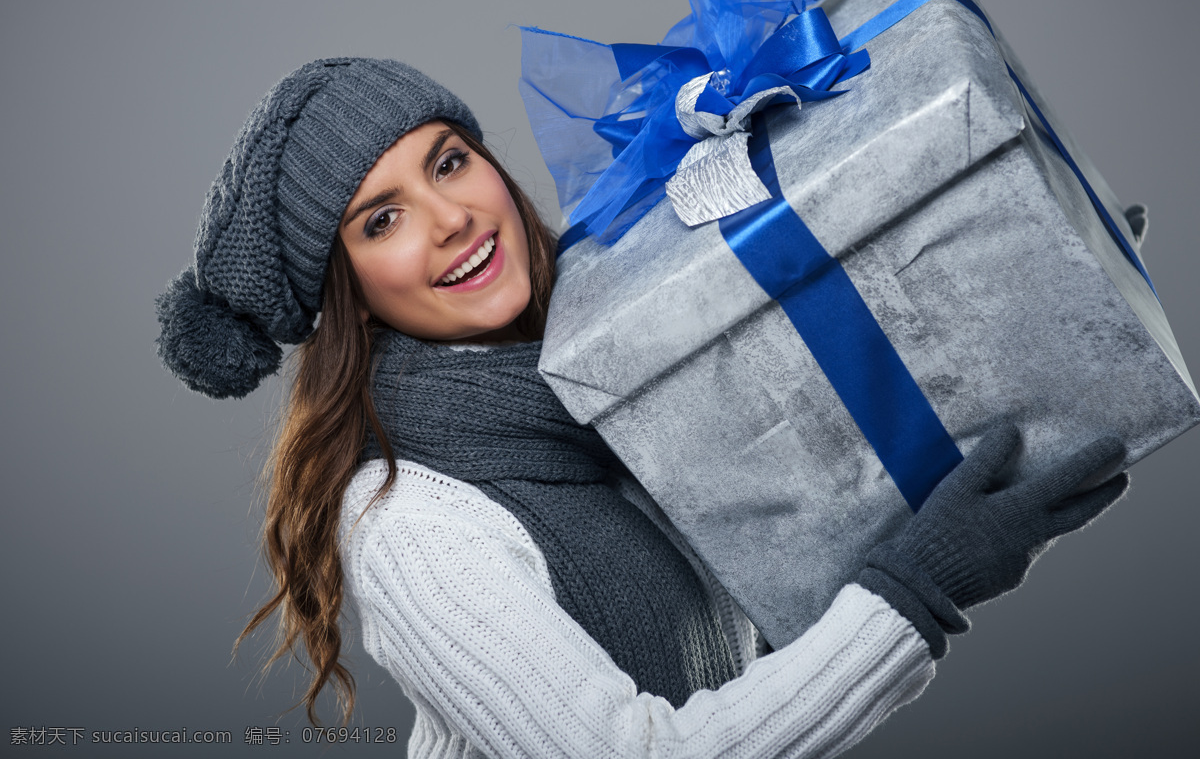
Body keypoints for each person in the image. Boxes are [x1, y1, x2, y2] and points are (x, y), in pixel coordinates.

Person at [155, 58, 1129, 759]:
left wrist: (1013, 289)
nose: (449, 216)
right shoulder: (409, 518)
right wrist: (916, 593)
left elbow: (804, 553)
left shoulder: (629, 367)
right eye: (382, 218)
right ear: (351, 291)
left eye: (448, 161)